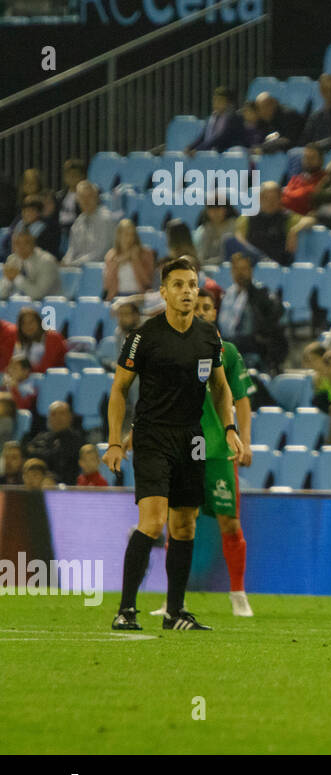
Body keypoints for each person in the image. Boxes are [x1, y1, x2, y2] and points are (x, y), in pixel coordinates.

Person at [106, 256, 247, 632]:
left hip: (193, 438)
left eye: (192, 284)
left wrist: (230, 428)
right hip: (152, 435)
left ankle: (175, 612)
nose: (188, 291)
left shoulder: (208, 336)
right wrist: (115, 442)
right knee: (152, 522)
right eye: (180, 285)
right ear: (164, 292)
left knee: (185, 527)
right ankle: (126, 610)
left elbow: (220, 387)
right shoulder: (144, 336)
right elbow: (119, 389)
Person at [144, 288, 256, 617]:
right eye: (200, 307)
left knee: (230, 524)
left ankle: (238, 593)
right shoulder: (176, 349)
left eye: (208, 307)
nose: (203, 312)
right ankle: (173, 600)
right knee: (179, 523)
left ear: (215, 312)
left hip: (219, 451)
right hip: (183, 450)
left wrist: (244, 442)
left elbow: (242, 401)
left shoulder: (229, 352)